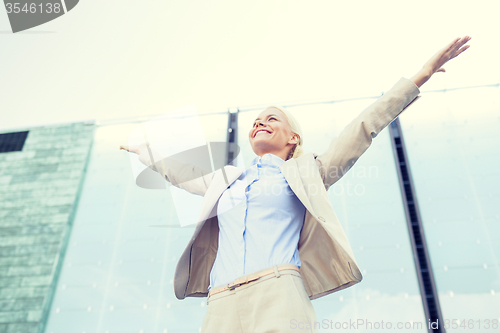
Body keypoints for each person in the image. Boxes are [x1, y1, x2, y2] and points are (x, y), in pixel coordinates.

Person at [120, 36, 471, 333]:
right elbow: (181, 172)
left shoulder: (308, 172)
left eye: (272, 119)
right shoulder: (226, 181)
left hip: (278, 294)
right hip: (221, 301)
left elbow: (363, 128)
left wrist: (420, 77)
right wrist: (144, 151)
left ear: (293, 138)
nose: (260, 123)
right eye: (256, 121)